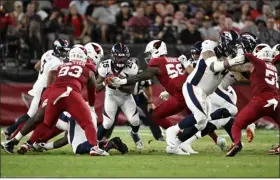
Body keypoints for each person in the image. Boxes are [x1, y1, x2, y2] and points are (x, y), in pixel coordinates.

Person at [109, 40, 221, 155]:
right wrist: (168, 91)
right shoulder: (175, 59)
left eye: (149, 53)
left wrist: (124, 81)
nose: (149, 57)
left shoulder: (157, 61)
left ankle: (176, 138)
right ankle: (200, 140)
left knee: (157, 115)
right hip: (190, 91)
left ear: (156, 51)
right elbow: (186, 75)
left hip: (181, 95)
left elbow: (146, 75)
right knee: (200, 120)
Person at [3, 47, 108, 156]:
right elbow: (92, 90)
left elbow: (53, 73)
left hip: (53, 93)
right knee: (88, 122)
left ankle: (19, 141)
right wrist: (91, 106)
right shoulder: (88, 69)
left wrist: (48, 92)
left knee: (45, 122)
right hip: (70, 93)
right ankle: (94, 147)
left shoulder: (63, 65)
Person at [163, 30, 244, 155]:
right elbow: (213, 66)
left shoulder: (228, 57)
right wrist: (234, 61)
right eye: (233, 46)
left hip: (205, 93)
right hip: (194, 86)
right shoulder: (210, 46)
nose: (234, 49)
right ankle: (173, 130)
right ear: (225, 43)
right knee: (200, 116)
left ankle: (174, 146)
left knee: (202, 123)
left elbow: (239, 73)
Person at [1, 39, 69, 141]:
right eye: (62, 50)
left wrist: (43, 74)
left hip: (39, 84)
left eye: (65, 51)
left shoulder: (48, 53)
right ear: (57, 49)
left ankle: (11, 131)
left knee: (33, 115)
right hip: (44, 88)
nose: (64, 53)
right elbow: (50, 79)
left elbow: (37, 66)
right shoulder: (57, 62)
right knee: (32, 115)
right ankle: (10, 133)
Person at [226, 44, 280, 157]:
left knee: (237, 124)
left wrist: (241, 52)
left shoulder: (257, 63)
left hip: (260, 101)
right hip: (276, 101)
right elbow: (275, 59)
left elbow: (247, 56)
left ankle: (236, 143)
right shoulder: (273, 66)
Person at [95, 43, 144, 151]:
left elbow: (132, 89)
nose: (121, 60)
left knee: (135, 121)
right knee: (107, 124)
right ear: (113, 56)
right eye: (118, 57)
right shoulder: (105, 66)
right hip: (111, 96)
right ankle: (94, 144)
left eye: (123, 57)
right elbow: (96, 88)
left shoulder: (132, 67)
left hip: (126, 97)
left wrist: (120, 85)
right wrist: (105, 83)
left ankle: (134, 134)